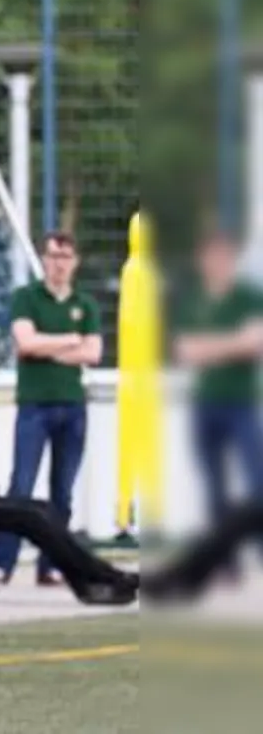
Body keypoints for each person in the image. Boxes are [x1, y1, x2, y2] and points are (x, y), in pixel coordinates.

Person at [0, 231, 102, 585]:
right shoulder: (26, 298)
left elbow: (93, 353)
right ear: (44, 260)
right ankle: (2, 562)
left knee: (62, 491)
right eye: (53, 257)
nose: (59, 264)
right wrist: (69, 340)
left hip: (72, 405)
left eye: (65, 257)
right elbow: (26, 343)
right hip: (34, 405)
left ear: (75, 262)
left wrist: (46, 348)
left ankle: (52, 564)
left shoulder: (85, 304)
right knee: (21, 485)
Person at [173, 224, 263, 575]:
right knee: (214, 485)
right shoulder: (193, 300)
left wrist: (209, 347)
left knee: (256, 478)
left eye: (224, 256)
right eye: (212, 255)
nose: (218, 262)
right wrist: (231, 343)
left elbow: (255, 344)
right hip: (205, 402)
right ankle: (225, 560)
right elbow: (185, 351)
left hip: (240, 402)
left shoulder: (248, 297)